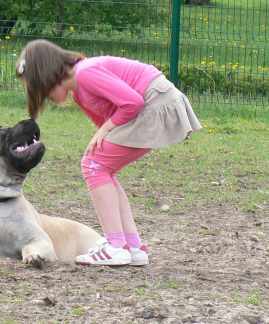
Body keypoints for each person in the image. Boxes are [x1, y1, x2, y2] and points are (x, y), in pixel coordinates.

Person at [15, 39, 202, 267]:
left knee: (94, 166)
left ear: (48, 76)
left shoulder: (85, 73)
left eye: (39, 88)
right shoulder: (79, 93)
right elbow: (111, 119)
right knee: (101, 167)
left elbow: (132, 102)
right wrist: (104, 131)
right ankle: (133, 247)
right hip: (150, 107)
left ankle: (116, 246)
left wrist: (105, 130)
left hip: (155, 103)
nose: (43, 97)